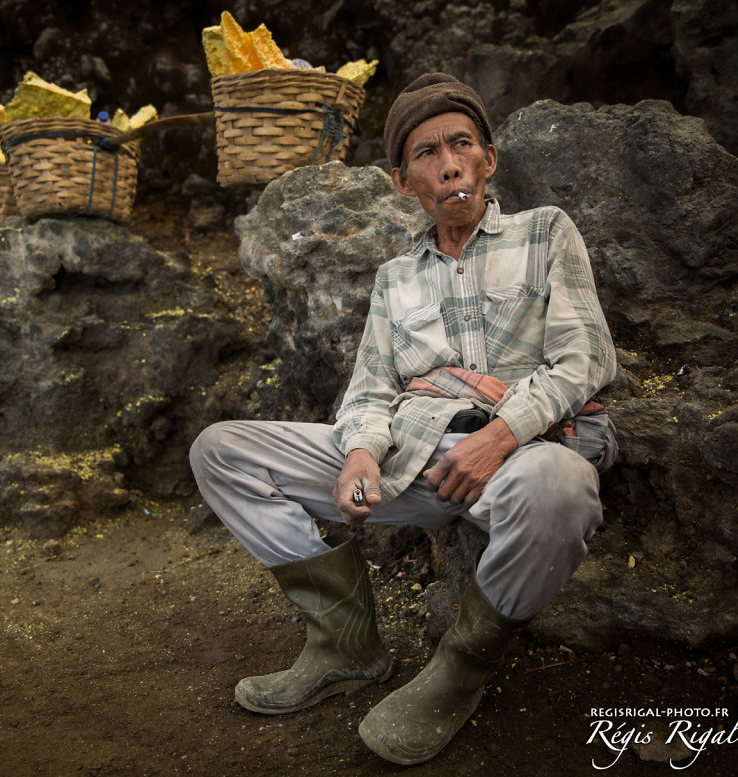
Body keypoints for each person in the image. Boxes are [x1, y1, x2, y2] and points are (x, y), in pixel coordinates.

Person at [189, 72, 617, 766]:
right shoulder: (395, 278)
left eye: (461, 144)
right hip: (413, 462)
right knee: (221, 450)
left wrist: (497, 436)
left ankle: (460, 668)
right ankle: (344, 644)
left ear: (489, 159)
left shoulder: (546, 234)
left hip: (519, 461)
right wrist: (360, 451)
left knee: (562, 487)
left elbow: (584, 360)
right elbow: (369, 389)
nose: (448, 162)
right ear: (402, 181)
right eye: (426, 152)